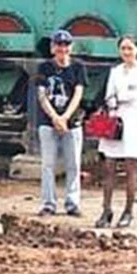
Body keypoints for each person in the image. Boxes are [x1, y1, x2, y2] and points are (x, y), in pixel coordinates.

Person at [95, 34, 137, 229]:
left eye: (130, 48)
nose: (126, 52)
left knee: (130, 168)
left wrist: (119, 96)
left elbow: (136, 95)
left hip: (133, 121)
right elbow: (109, 94)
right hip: (114, 119)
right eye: (123, 49)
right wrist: (115, 100)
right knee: (108, 166)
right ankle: (106, 210)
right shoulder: (115, 71)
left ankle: (128, 211)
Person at [35, 28, 87, 217]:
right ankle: (48, 203)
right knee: (48, 164)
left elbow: (78, 93)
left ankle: (72, 203)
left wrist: (65, 117)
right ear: (52, 47)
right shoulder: (43, 68)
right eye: (58, 44)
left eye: (65, 45)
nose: (62, 48)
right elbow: (41, 95)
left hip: (72, 123)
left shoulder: (78, 67)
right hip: (47, 122)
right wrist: (55, 117)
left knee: (73, 164)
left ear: (71, 47)